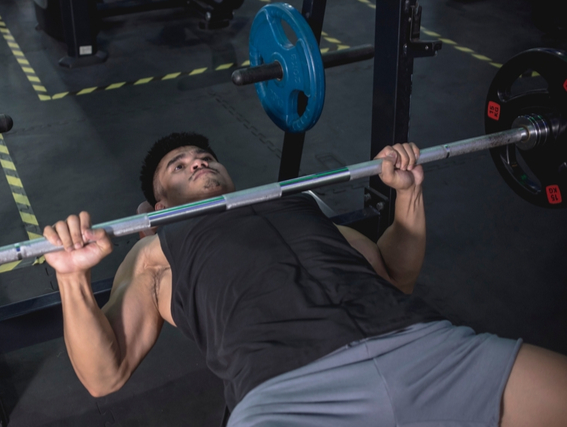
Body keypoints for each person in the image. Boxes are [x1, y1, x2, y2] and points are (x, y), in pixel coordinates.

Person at [43, 132, 567, 426]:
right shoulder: (158, 249)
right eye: (178, 167)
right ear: (159, 206)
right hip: (292, 396)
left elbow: (394, 275)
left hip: (424, 348)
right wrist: (72, 280)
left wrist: (408, 194)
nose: (197, 161)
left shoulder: (301, 203)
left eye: (204, 156)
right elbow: (103, 376)